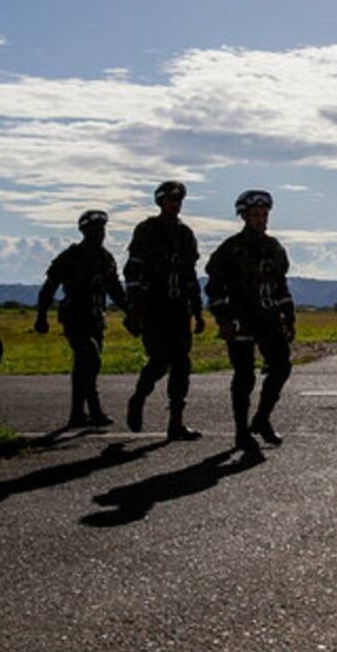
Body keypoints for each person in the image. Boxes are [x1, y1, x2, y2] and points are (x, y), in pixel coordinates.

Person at [205, 189, 295, 455]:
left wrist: (289, 315)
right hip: (240, 319)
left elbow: (280, 285)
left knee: (281, 367)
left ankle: (262, 418)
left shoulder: (274, 248)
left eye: (264, 215)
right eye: (255, 215)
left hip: (269, 319)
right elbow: (213, 287)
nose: (261, 219)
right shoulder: (230, 249)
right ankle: (241, 432)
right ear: (244, 216)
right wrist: (223, 318)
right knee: (244, 376)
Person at [123, 181, 205, 441]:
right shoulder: (147, 230)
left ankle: (176, 423)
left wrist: (198, 311)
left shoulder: (185, 234)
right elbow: (132, 270)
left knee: (182, 364)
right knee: (159, 361)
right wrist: (134, 307)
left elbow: (190, 275)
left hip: (179, 308)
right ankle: (139, 397)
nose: (175, 205)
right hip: (153, 308)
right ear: (160, 202)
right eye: (171, 200)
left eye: (179, 200)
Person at [34, 210, 129, 427]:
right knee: (90, 357)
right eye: (95, 230)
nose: (100, 234)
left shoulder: (106, 259)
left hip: (96, 318)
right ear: (84, 231)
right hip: (74, 317)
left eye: (102, 229)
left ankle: (77, 414)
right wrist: (41, 317)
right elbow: (48, 288)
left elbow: (115, 291)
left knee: (86, 366)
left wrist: (130, 313)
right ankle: (94, 410)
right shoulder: (70, 257)